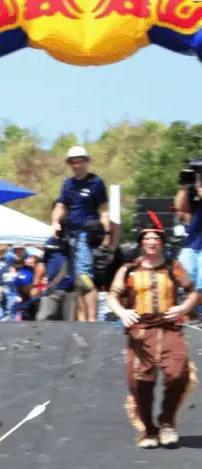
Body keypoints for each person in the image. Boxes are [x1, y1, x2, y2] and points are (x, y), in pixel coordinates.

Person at [107, 228, 198, 449]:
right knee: (140, 381)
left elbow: (193, 291)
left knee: (178, 373)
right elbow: (112, 296)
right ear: (141, 243)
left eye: (156, 238)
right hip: (140, 331)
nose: (151, 241)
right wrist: (122, 313)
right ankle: (148, 429)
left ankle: (167, 423)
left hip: (169, 327)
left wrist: (182, 308)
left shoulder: (173, 267)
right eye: (147, 238)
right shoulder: (128, 269)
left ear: (161, 243)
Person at [51, 146, 110, 322]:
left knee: (85, 277)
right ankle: (82, 320)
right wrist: (55, 222)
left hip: (87, 234)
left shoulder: (96, 182)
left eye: (79, 161)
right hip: (71, 235)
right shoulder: (68, 184)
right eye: (73, 162)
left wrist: (107, 234)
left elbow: (104, 210)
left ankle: (92, 319)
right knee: (77, 280)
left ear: (86, 161)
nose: (76, 165)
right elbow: (61, 205)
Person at [175, 168, 202, 287]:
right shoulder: (193, 193)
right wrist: (185, 186)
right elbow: (180, 209)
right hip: (191, 246)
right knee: (185, 284)